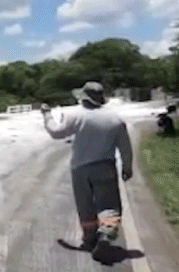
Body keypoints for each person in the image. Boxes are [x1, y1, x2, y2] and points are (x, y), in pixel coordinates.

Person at [40, 81, 133, 263]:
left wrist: (47, 115)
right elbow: (125, 148)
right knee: (109, 206)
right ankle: (105, 236)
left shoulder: (75, 115)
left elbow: (56, 132)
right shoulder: (115, 118)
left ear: (83, 98)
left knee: (85, 206)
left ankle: (90, 239)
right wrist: (127, 167)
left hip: (80, 169)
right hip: (105, 168)